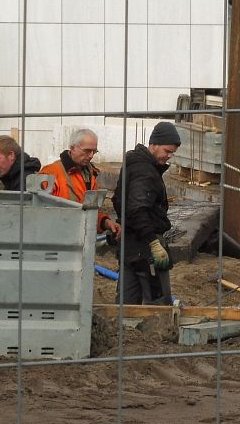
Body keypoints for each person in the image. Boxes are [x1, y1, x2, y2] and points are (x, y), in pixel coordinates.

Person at [113, 121, 181, 305]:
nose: (169, 156)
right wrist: (153, 243)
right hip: (145, 247)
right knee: (158, 303)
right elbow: (138, 208)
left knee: (126, 303)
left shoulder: (132, 164)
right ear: (154, 144)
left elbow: (118, 200)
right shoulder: (145, 171)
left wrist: (123, 222)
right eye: (167, 151)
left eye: (172, 153)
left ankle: (122, 324)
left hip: (129, 245)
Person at [39, 128, 120, 236]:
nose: (91, 155)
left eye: (94, 151)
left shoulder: (90, 175)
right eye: (87, 151)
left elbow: (91, 212)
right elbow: (40, 215)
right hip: (56, 239)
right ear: (72, 148)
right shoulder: (50, 173)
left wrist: (105, 222)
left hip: (80, 240)